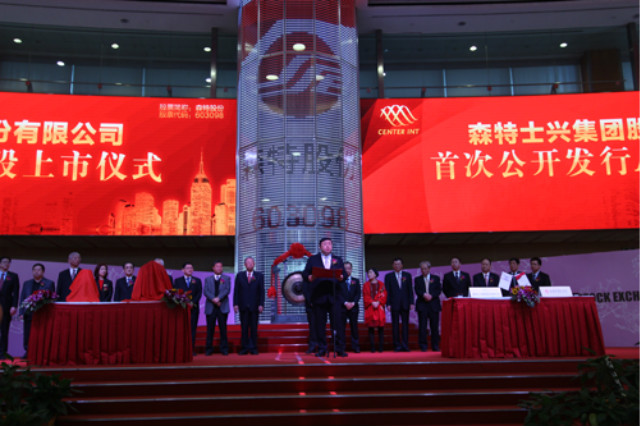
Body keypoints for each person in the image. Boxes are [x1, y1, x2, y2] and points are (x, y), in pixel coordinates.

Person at [301, 237, 347, 357]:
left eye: (329, 244)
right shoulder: (313, 259)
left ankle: (339, 348)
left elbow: (345, 274)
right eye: (325, 244)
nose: (327, 246)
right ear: (320, 247)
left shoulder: (338, 259)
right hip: (319, 295)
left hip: (334, 295)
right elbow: (305, 273)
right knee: (320, 325)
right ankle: (322, 348)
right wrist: (309, 277)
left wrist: (342, 276)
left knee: (337, 324)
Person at [19, 263, 55, 357]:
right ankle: (28, 351)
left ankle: (41, 352)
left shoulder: (49, 283)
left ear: (43, 272)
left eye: (39, 270)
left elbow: (52, 299)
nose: (36, 271)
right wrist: (21, 312)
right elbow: (22, 298)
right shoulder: (27, 283)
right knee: (27, 333)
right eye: (34, 270)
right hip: (28, 312)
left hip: (42, 313)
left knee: (41, 333)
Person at [233, 257, 265, 355]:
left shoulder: (259, 276)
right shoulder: (240, 276)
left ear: (254, 264)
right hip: (243, 306)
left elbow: (261, 291)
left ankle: (253, 348)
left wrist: (261, 304)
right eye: (248, 263)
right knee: (244, 328)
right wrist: (235, 304)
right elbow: (236, 291)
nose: (250, 264)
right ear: (245, 264)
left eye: (251, 262)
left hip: (255, 306)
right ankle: (244, 348)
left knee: (254, 328)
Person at [384, 257, 414, 352]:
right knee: (395, 325)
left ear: (402, 265)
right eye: (395, 264)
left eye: (399, 264)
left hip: (405, 303)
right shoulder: (388, 276)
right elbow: (387, 291)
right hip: (394, 304)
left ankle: (405, 345)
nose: (397, 266)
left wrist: (411, 302)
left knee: (405, 325)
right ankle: (396, 345)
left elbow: (410, 290)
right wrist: (388, 303)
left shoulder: (407, 275)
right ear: (393, 266)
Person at [174, 262, 203, 356]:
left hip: (193, 308)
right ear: (183, 270)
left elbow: (199, 293)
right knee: (181, 329)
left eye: (191, 268)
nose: (190, 269)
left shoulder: (197, 280)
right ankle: (181, 349)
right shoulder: (178, 281)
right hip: (181, 308)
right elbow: (176, 293)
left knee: (192, 329)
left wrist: (192, 302)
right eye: (187, 268)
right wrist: (185, 302)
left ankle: (191, 349)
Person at [204, 260, 230, 356]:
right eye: (217, 266)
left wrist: (218, 298)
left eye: (221, 266)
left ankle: (224, 349)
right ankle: (208, 349)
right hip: (211, 307)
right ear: (213, 268)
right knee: (210, 329)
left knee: (223, 329)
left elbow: (227, 289)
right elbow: (206, 291)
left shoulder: (226, 278)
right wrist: (213, 299)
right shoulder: (208, 279)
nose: (219, 268)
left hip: (222, 306)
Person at [414, 260, 441, 352]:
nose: (423, 270)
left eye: (425, 268)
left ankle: (435, 345)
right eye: (422, 269)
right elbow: (417, 290)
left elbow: (438, 290)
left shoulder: (436, 278)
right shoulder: (417, 279)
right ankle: (423, 346)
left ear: (429, 269)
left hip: (433, 305)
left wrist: (431, 296)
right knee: (422, 327)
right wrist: (424, 295)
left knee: (434, 327)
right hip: (422, 305)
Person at [362, 267, 386, 353]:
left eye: (371, 272)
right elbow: (365, 296)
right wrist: (372, 302)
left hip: (379, 308)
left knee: (380, 328)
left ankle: (380, 347)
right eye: (368, 273)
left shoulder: (381, 284)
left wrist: (378, 302)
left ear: (375, 274)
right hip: (370, 307)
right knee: (371, 328)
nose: (369, 274)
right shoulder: (365, 285)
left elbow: (383, 294)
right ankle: (372, 347)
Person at [0, 256, 19, 358]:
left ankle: (2, 352)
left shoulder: (13, 276)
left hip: (6, 306)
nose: (6, 264)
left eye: (8, 262)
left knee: (4, 330)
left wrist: (14, 306)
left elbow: (15, 292)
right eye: (4, 262)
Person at [340, 261, 361, 353]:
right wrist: (345, 303)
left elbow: (358, 294)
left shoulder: (356, 281)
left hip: (353, 308)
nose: (347, 270)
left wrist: (353, 303)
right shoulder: (339, 281)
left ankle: (355, 346)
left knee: (354, 328)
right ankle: (341, 347)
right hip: (342, 307)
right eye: (345, 268)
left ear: (351, 269)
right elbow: (338, 294)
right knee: (341, 328)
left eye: (349, 268)